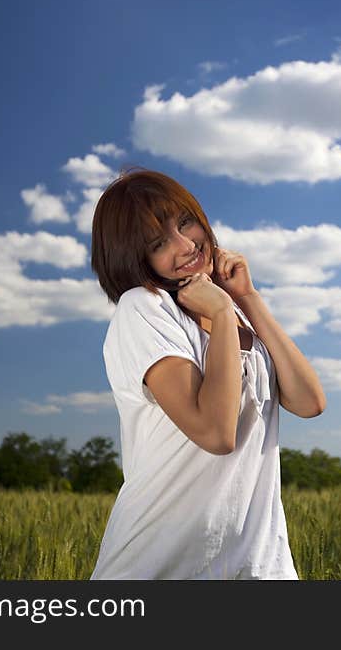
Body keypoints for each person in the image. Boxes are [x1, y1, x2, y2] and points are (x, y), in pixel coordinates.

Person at [89, 167, 326, 579]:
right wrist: (217, 310)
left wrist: (246, 299)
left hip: (259, 565)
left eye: (184, 222)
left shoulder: (229, 307)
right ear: (134, 258)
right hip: (163, 564)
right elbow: (216, 432)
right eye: (159, 243)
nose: (185, 245)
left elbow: (309, 402)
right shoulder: (143, 310)